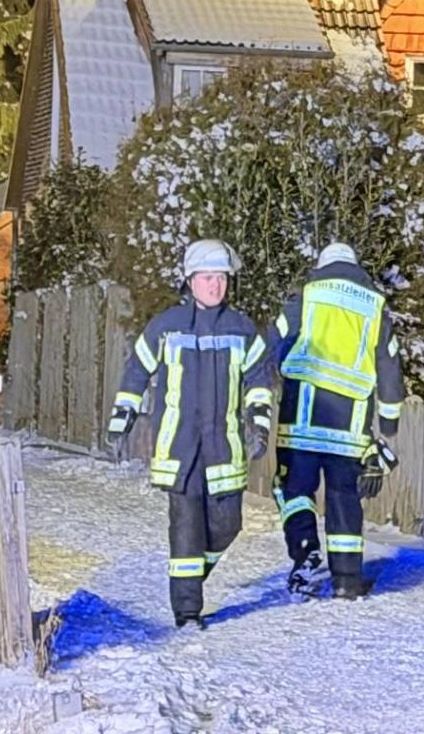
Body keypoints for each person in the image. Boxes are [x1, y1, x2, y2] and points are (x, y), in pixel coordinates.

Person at [105, 239, 273, 629]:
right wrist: (121, 422)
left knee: (228, 524)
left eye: (220, 278)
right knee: (185, 528)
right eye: (207, 278)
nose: (214, 286)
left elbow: (259, 381)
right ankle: (187, 610)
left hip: (224, 445)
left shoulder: (242, 329)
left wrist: (258, 424)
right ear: (190, 281)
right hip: (179, 445)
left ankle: (192, 578)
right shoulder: (166, 327)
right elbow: (136, 373)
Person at [271, 242, 403, 601]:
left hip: (300, 423)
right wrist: (388, 424)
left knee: (294, 491)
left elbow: (276, 341)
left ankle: (305, 549)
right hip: (348, 430)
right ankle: (347, 580)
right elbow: (389, 365)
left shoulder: (308, 296)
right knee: (345, 498)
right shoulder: (374, 307)